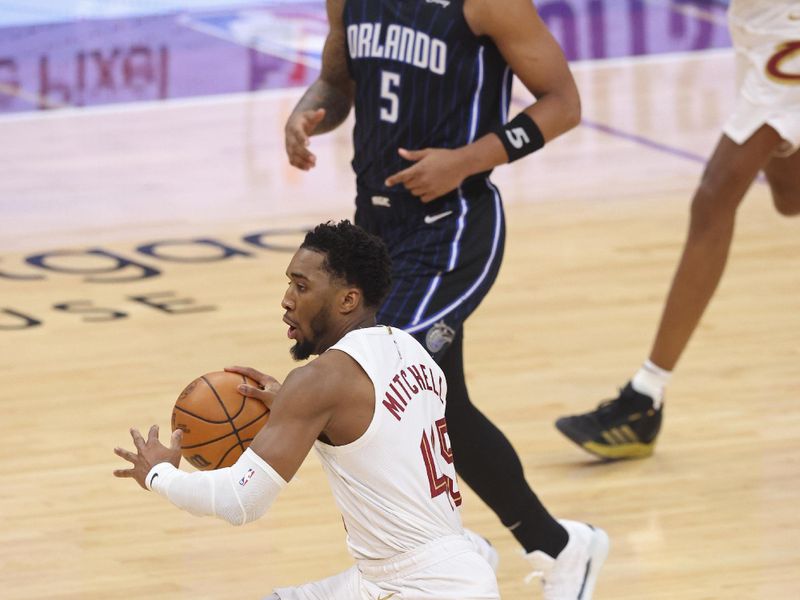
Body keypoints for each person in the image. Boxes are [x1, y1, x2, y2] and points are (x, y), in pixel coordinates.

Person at [284, 0, 609, 596]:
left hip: (451, 229)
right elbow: (338, 80)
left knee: (378, 374)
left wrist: (466, 161)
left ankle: (431, 561)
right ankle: (559, 548)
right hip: (374, 231)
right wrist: (307, 114)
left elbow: (563, 103)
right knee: (441, 402)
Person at [114, 220, 501, 599]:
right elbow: (372, 426)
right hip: (416, 570)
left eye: (301, 286)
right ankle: (476, 556)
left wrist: (159, 474)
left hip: (420, 584)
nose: (286, 299)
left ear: (348, 300)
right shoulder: (412, 351)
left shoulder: (319, 381)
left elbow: (240, 501)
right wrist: (294, 404)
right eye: (288, 283)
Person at [555, 0, 800, 460]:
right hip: (758, 26)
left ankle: (645, 398)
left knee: (713, 199)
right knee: (790, 197)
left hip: (788, 32)